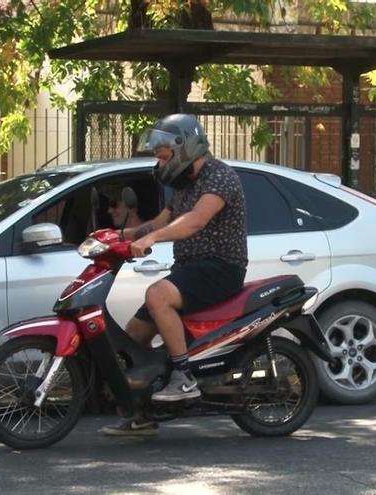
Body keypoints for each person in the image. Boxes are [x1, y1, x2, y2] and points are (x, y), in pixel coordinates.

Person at [101, 114, 248, 436]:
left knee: (157, 294)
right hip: (189, 268)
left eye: (163, 154)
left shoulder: (219, 178)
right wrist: (115, 237)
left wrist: (151, 240)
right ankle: (141, 414)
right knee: (134, 334)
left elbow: (195, 221)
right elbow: (161, 220)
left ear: (184, 146)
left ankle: (183, 379)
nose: (159, 161)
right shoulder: (184, 185)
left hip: (220, 267)